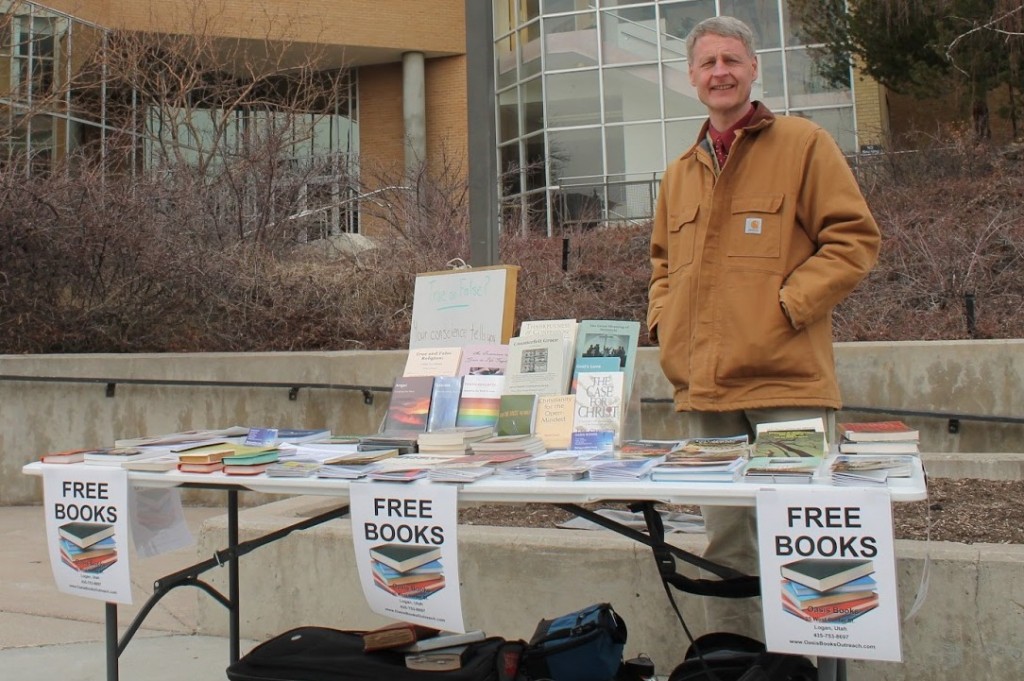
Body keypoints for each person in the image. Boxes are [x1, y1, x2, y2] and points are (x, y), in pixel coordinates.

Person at [646, 16, 881, 638]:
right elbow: (662, 266)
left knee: (803, 532)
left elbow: (853, 240)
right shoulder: (677, 174)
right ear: (692, 77)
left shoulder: (804, 145)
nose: (719, 72)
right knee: (724, 545)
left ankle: (804, 661)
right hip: (707, 397)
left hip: (788, 391)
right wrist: (664, 320)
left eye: (731, 60)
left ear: (753, 69)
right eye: (707, 63)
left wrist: (785, 309)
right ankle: (734, 661)